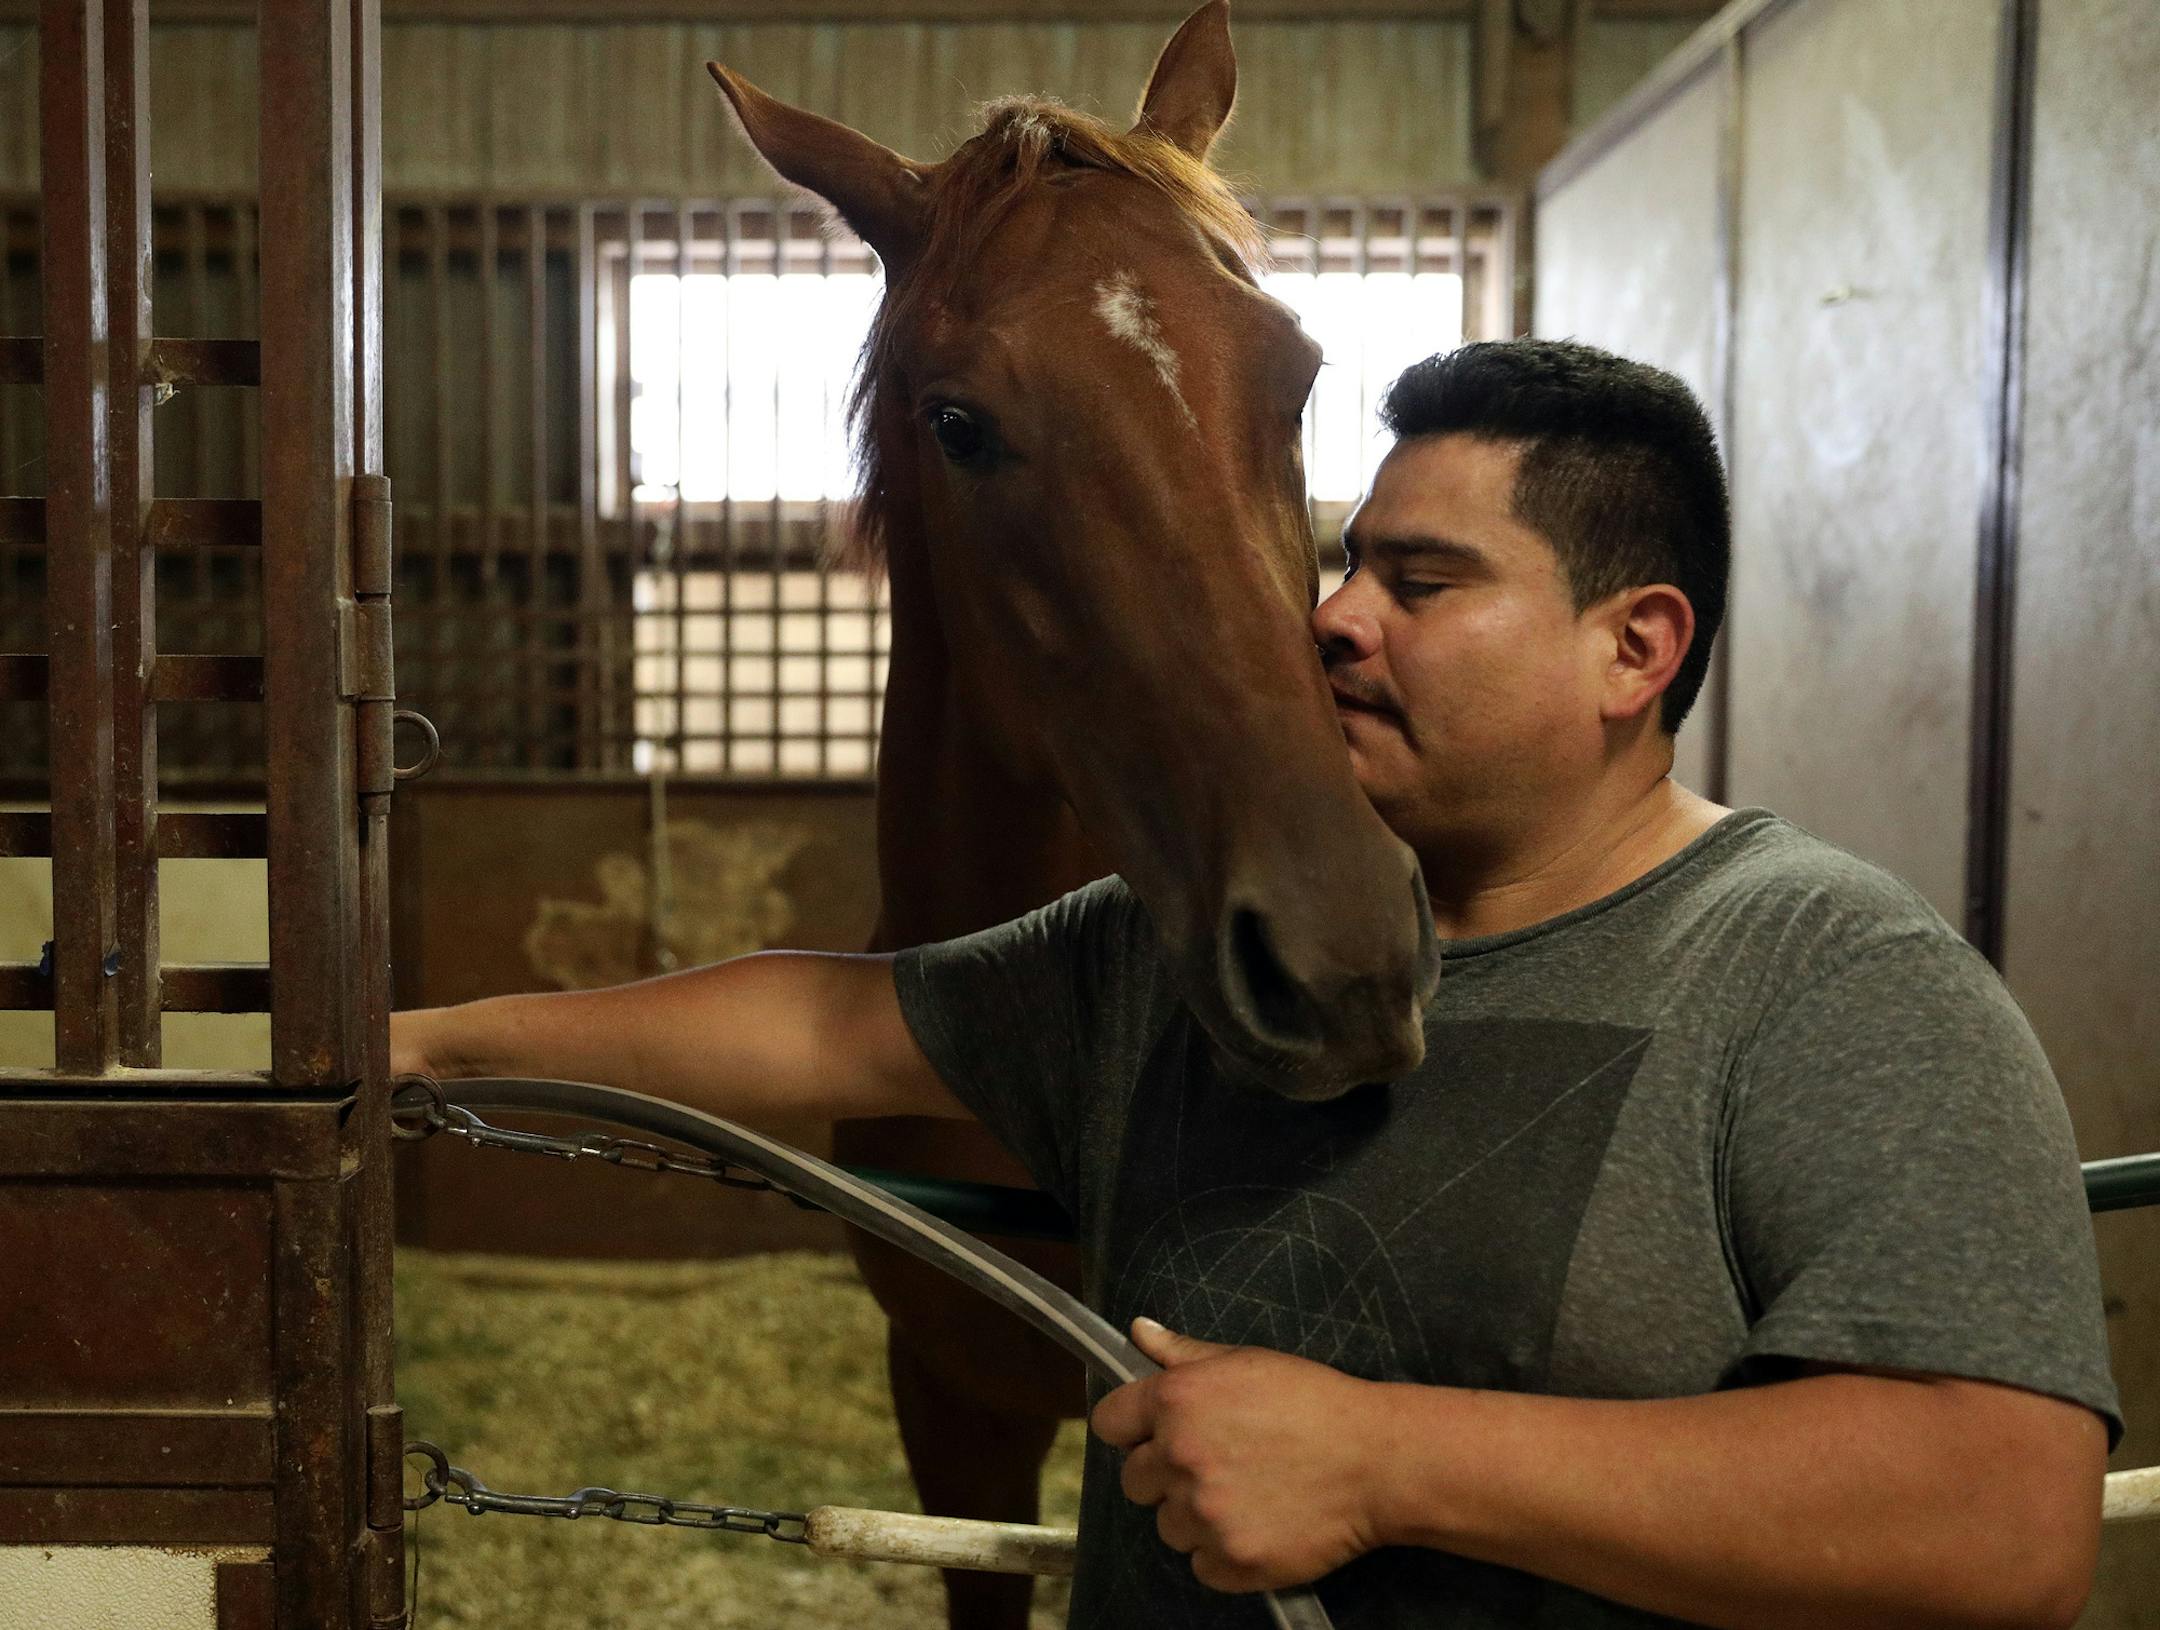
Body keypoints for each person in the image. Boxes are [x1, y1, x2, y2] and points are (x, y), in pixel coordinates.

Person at [393, 339, 2119, 1630]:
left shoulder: (1834, 980)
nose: (1335, 618)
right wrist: (422, 1038)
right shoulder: (1178, 949)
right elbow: (824, 1016)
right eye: (1346, 564)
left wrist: (1382, 1460)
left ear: (1633, 647)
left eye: (1421, 583)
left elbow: (2000, 1515)